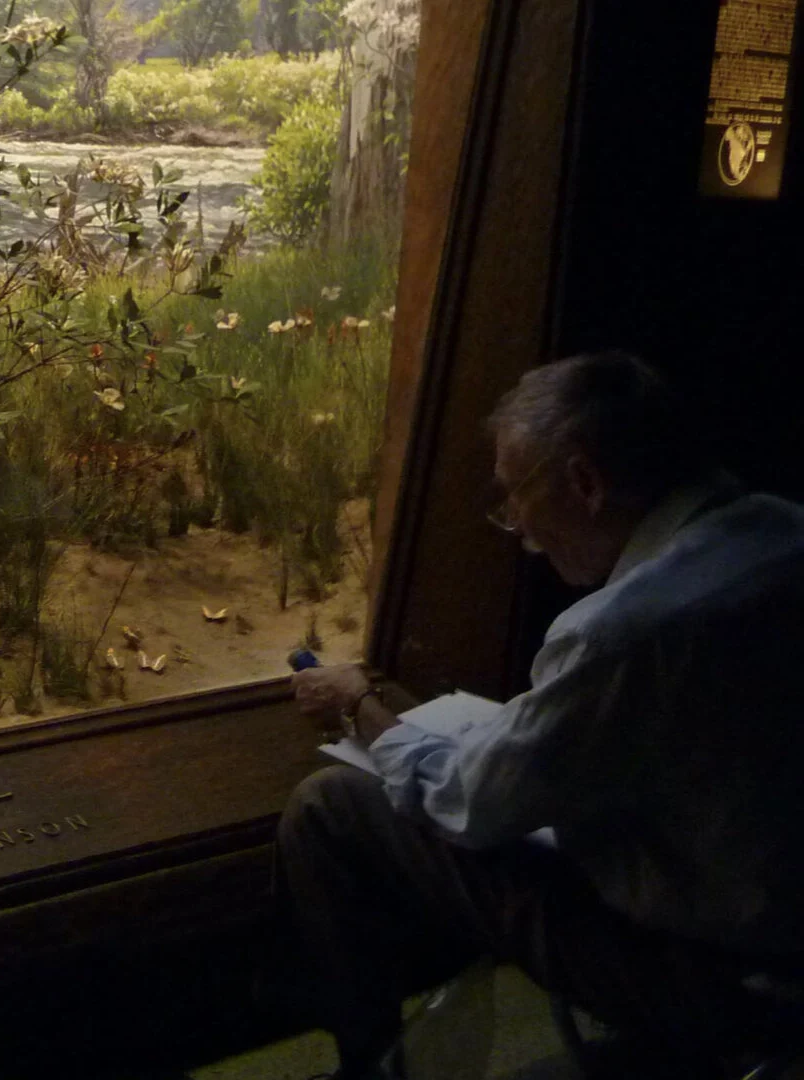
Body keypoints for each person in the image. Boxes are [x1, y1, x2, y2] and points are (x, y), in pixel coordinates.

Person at [281, 351, 804, 1079]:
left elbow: (472, 802)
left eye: (515, 494)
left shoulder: (624, 634)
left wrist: (358, 702)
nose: (517, 525)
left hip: (732, 980)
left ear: (585, 483)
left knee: (330, 805)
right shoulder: (782, 531)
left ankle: (371, 1066)